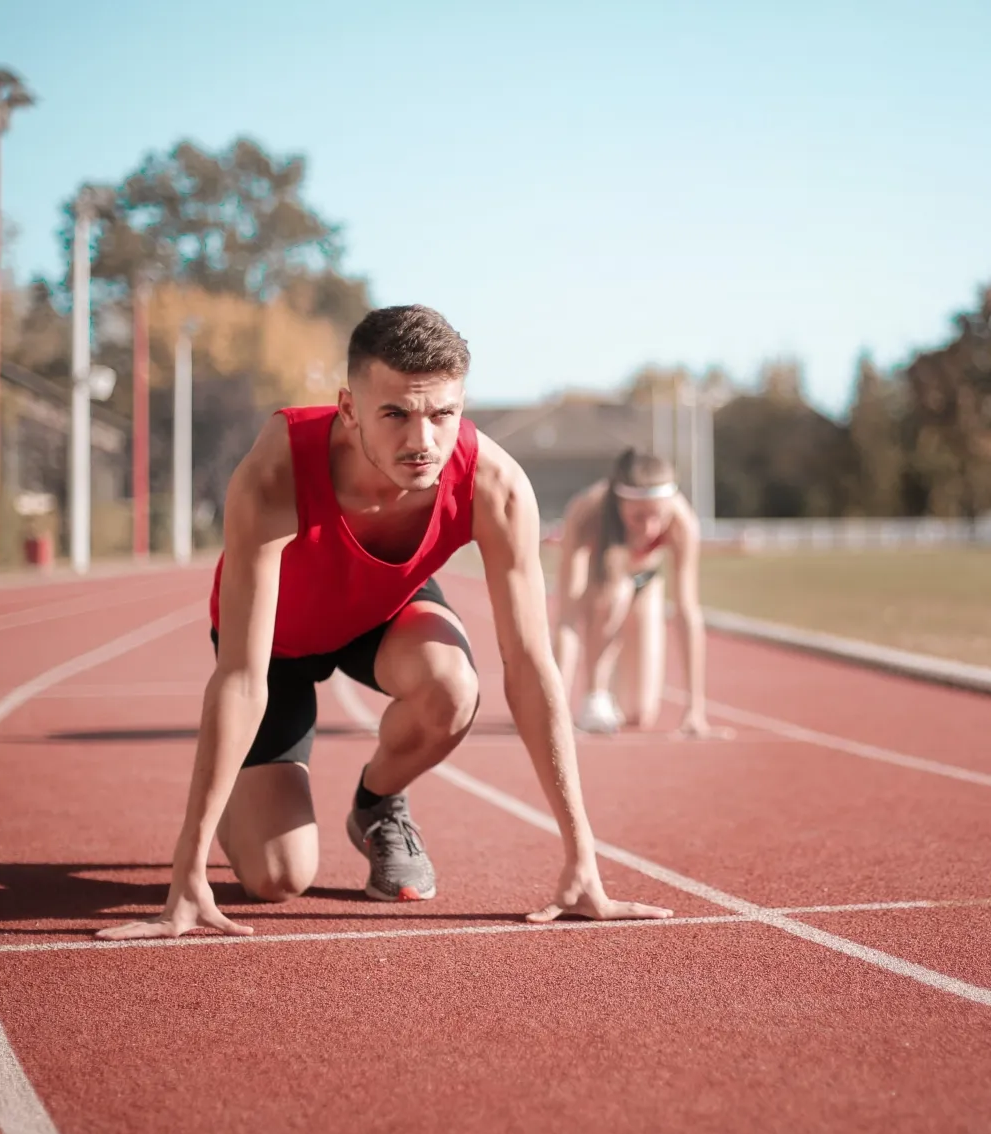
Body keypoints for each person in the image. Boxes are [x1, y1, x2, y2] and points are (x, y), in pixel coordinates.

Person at [98, 306, 671, 941]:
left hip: (382, 614)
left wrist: (582, 861)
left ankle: (377, 804)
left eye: (442, 414)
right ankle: (240, 790)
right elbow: (240, 676)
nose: (422, 440)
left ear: (461, 405)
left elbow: (532, 667)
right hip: (277, 644)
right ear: (349, 408)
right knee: (278, 879)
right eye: (395, 413)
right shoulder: (277, 469)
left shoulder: (495, 485)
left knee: (454, 687)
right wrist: (187, 873)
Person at [552, 448, 713, 736]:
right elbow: (567, 617)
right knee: (617, 593)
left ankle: (615, 691)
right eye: (639, 517)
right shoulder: (587, 512)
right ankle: (595, 695)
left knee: (638, 714)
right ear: (619, 503)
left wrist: (695, 709)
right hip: (600, 584)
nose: (650, 529)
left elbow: (687, 612)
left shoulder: (682, 522)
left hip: (647, 582)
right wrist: (554, 705)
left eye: (658, 516)